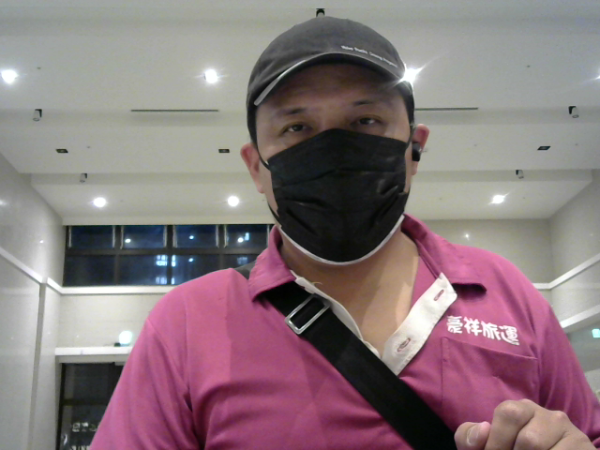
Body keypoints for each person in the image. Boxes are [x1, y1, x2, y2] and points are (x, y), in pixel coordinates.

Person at [91, 17, 600, 449]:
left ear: (414, 150)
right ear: (255, 166)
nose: (333, 149)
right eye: (296, 128)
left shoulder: (507, 292)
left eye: (366, 120)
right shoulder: (184, 324)